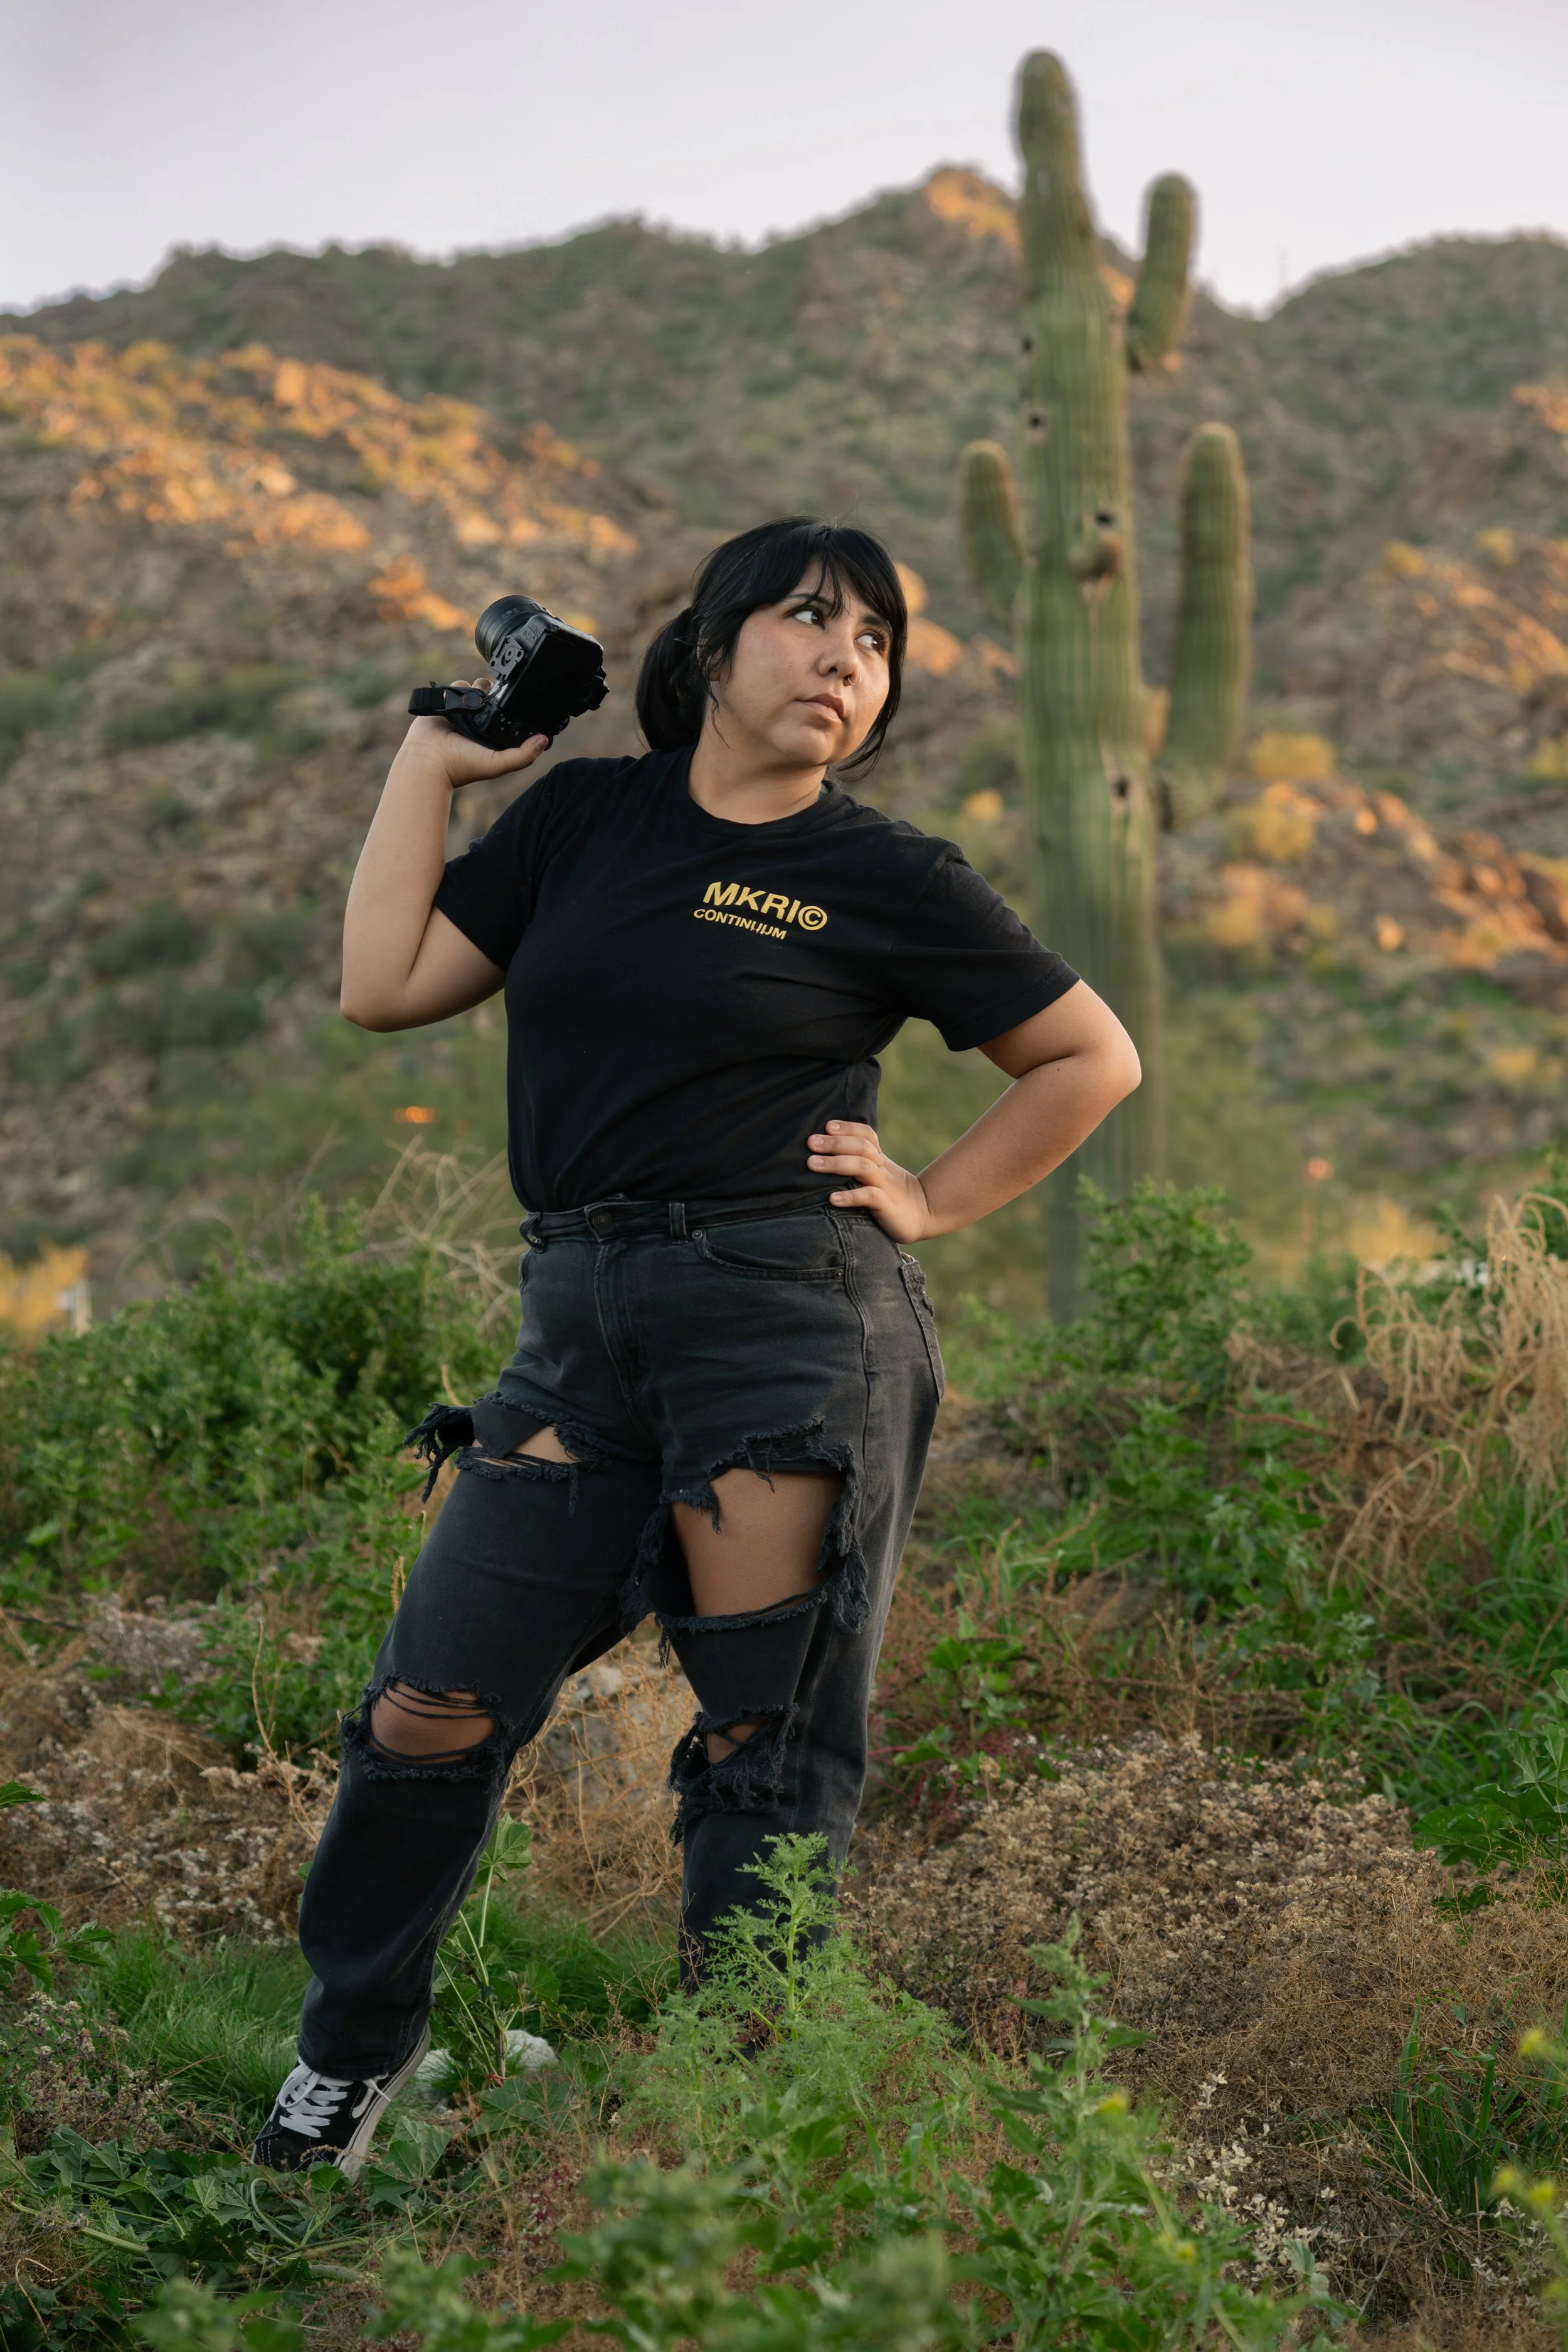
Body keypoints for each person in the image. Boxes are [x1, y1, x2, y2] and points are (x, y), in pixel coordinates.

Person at [252, 516, 1140, 2176]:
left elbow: (1088, 1057)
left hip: (784, 1322)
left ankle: (737, 2124)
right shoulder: (585, 819)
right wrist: (430, 766)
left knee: (756, 1748)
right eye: (807, 621)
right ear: (712, 650)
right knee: (427, 1706)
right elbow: (384, 982)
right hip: (576, 1321)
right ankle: (348, 2056)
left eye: (873, 641)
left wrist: (931, 1197)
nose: (842, 661)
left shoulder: (884, 871)